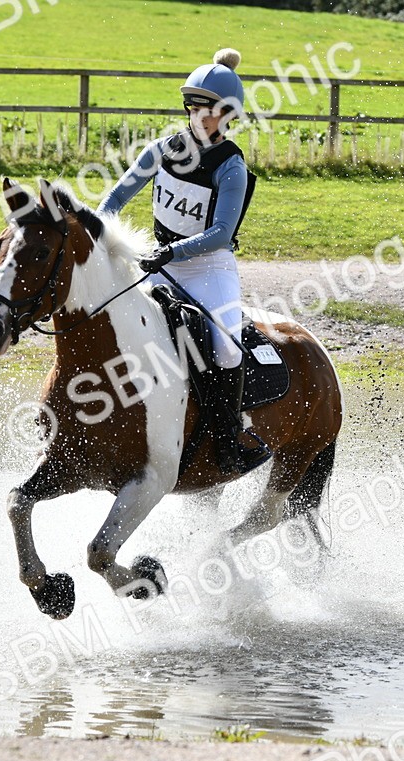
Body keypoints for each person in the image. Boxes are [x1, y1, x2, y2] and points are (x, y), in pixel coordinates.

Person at [98, 48, 269, 476]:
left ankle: (229, 443)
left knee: (227, 348)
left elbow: (221, 234)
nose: (199, 117)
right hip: (160, 265)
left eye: (209, 110)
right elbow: (116, 198)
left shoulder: (231, 167)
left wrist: (172, 252)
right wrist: (96, 228)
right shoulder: (162, 150)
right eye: (194, 108)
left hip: (208, 269)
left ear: (228, 115)